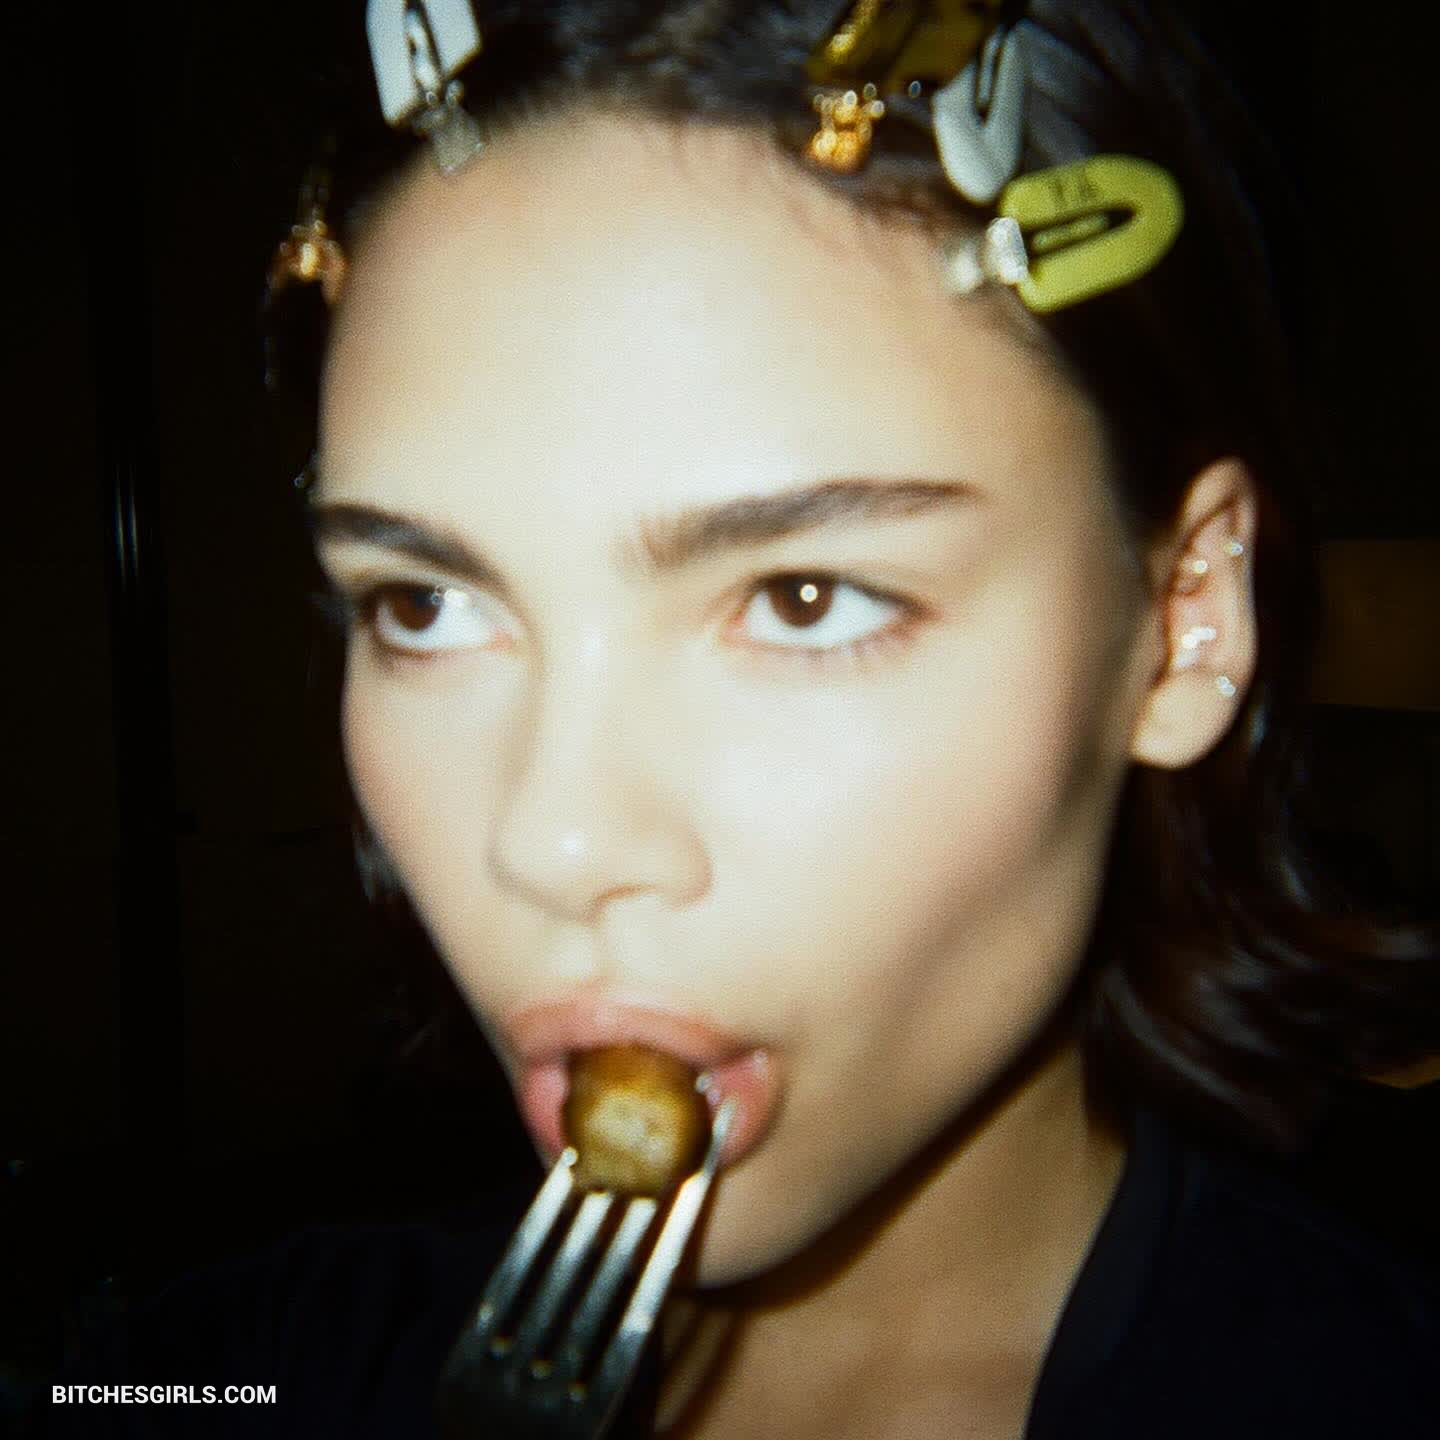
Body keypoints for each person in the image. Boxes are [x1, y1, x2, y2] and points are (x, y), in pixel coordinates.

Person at [46, 1, 1440, 1436]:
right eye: (425, 605)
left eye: (804, 599)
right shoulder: (252, 1373)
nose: (555, 844)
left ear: (1183, 617)